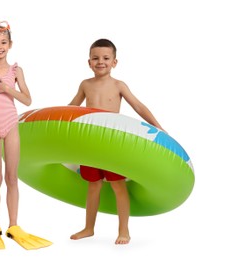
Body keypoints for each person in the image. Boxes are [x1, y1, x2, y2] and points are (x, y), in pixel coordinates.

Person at [68, 38, 164, 245]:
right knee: (93, 185)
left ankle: (124, 231)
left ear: (114, 62)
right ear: (89, 62)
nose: (100, 62)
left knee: (117, 185)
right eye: (95, 58)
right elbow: (71, 108)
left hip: (112, 144)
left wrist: (158, 127)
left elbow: (138, 106)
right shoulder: (85, 85)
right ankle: (89, 228)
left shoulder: (119, 85)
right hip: (89, 142)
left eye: (105, 58)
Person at [0, 21, 51, 250]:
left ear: (10, 44)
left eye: (3, 42)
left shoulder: (16, 71)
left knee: (12, 177)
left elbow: (27, 100)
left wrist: (7, 88)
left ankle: (14, 225)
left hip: (11, 125)